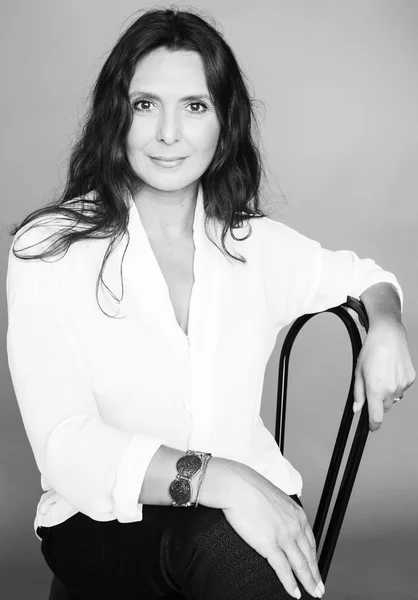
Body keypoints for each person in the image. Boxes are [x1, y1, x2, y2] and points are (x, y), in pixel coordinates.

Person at [6, 7, 415, 600]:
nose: (168, 133)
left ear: (224, 122)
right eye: (146, 104)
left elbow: (366, 277)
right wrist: (221, 480)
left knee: (233, 540)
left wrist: (387, 325)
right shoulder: (49, 247)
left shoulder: (252, 244)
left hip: (248, 506)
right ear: (116, 117)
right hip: (105, 521)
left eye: (194, 106)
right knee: (222, 539)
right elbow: (65, 446)